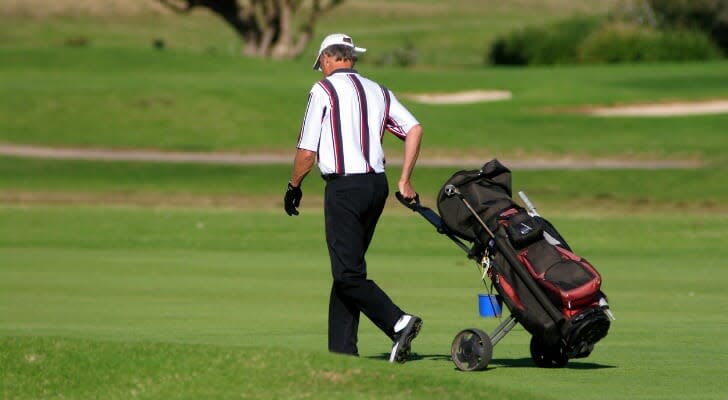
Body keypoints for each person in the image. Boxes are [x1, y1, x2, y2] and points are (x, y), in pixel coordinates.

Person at [284, 33, 424, 363]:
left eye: (321, 64)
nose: (321, 70)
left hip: (344, 188)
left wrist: (293, 187)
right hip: (377, 186)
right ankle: (342, 353)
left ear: (330, 59)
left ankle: (398, 321)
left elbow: (307, 151)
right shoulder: (378, 90)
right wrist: (405, 179)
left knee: (347, 274)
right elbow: (414, 128)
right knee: (348, 271)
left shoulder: (323, 90)